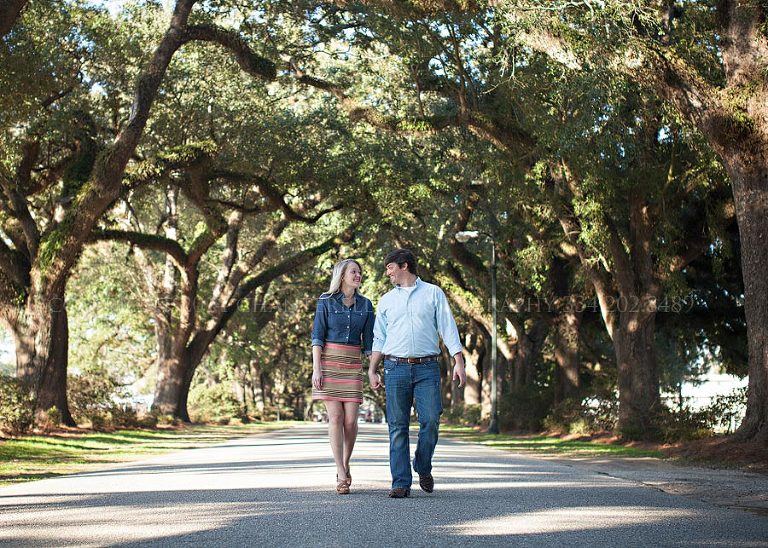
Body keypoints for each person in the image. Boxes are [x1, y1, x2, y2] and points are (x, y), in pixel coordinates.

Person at [368, 249, 466, 498]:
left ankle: (422, 465)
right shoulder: (387, 300)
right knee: (397, 425)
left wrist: (459, 361)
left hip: (427, 367)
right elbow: (379, 337)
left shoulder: (433, 293)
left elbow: (448, 327)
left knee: (431, 419)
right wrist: (372, 369)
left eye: (390, 267)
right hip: (395, 368)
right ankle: (400, 482)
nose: (387, 272)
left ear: (403, 265)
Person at [311, 258, 374, 495]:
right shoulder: (325, 301)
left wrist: (372, 369)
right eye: (353, 272)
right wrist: (317, 368)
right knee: (335, 418)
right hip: (329, 363)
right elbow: (317, 337)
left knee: (351, 421)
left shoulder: (366, 305)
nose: (358, 275)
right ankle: (340, 471)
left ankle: (346, 463)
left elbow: (369, 343)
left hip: (352, 364)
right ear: (342, 275)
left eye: (359, 272)